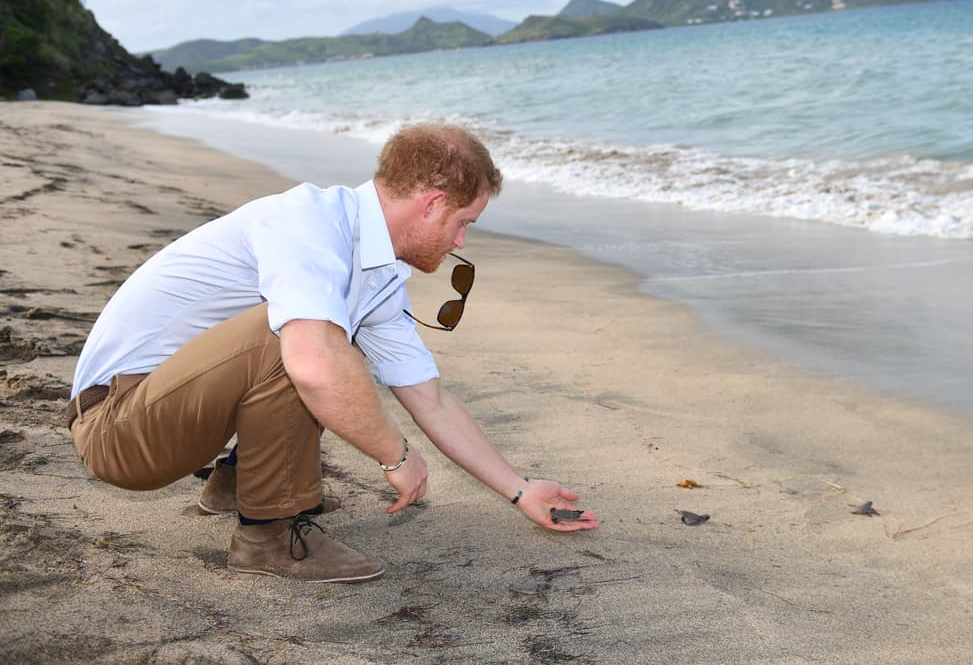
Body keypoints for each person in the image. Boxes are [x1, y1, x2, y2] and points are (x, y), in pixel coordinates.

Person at [66, 123, 598, 584]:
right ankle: (267, 537)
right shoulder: (307, 224)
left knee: (319, 338)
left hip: (169, 412)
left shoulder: (376, 273)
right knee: (307, 342)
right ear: (432, 201)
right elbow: (314, 365)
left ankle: (237, 485)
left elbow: (429, 397)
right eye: (464, 222)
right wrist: (397, 454)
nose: (461, 241)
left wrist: (519, 489)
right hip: (117, 426)